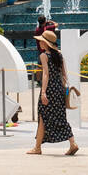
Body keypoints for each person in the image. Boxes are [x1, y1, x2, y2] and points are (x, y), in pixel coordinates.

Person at [28, 29, 78, 157]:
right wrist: (62, 88)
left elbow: (46, 74)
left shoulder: (44, 55)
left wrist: (43, 92)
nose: (39, 43)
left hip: (49, 89)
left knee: (42, 117)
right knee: (60, 117)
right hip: (59, 89)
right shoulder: (59, 55)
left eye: (41, 41)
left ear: (46, 43)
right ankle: (72, 143)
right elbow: (64, 74)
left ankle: (37, 148)